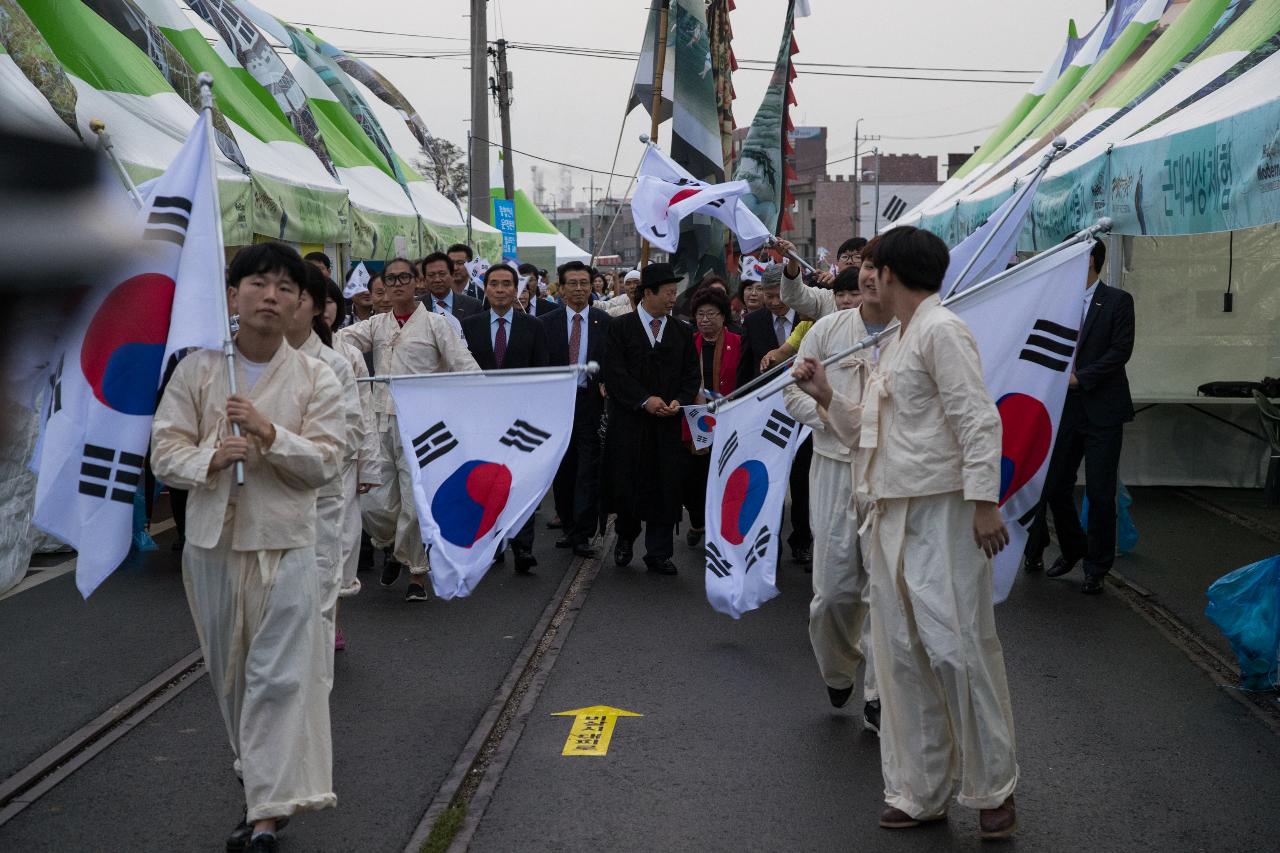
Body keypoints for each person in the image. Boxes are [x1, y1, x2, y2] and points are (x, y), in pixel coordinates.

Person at [792, 225, 1018, 840]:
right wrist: (826, 396)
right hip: (888, 512)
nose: (868, 279)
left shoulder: (942, 331)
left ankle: (993, 789)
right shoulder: (898, 339)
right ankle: (920, 791)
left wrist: (983, 502)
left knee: (955, 649)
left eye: (874, 269)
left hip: (941, 512)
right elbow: (872, 426)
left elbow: (977, 419)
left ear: (889, 274)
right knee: (900, 658)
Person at [151, 243, 346, 852]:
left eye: (286, 288)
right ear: (232, 295)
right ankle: (261, 782)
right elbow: (163, 450)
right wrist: (211, 456)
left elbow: (327, 462)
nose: (271, 296)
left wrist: (269, 434)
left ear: (303, 305)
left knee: (277, 678)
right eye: (258, 284)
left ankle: (264, 817)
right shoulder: (200, 369)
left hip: (285, 545)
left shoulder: (319, 375)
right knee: (231, 677)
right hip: (211, 544)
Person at [782, 259, 890, 732]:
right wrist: (832, 418)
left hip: (889, 473)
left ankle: (880, 695)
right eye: (866, 268)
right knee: (833, 592)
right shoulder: (825, 330)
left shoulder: (913, 333)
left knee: (886, 590)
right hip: (832, 467)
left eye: (881, 270)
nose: (870, 278)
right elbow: (794, 393)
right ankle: (839, 668)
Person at [339, 257, 480, 602]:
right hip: (378, 423)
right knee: (374, 503)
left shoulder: (437, 324)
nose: (399, 284)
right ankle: (392, 547)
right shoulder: (375, 326)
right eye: (392, 279)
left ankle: (417, 573)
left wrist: (484, 398)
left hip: (422, 426)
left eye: (405, 277)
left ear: (416, 282)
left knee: (415, 504)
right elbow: (334, 341)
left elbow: (464, 366)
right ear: (383, 287)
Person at [1024, 240, 1135, 594]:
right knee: (1054, 485)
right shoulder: (1058, 303)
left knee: (1101, 494)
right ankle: (1074, 547)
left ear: (1091, 260)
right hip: (1063, 410)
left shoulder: (1117, 301)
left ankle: (1096, 567)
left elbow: (1120, 351)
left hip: (1102, 409)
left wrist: (1081, 378)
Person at [286, 267, 373, 658]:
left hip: (324, 489)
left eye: (298, 296)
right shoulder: (249, 358)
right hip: (267, 500)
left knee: (327, 570)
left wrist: (299, 452)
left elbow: (355, 426)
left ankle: (326, 628)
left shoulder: (337, 362)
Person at [602, 263, 701, 574]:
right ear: (648, 293)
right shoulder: (620, 328)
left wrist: (679, 401)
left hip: (668, 425)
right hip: (631, 423)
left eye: (675, 293)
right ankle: (625, 538)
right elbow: (614, 374)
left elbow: (690, 375)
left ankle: (659, 553)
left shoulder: (682, 331)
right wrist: (644, 400)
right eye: (668, 293)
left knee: (666, 487)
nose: (674, 298)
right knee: (628, 483)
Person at [460, 264, 550, 573]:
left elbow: (542, 374)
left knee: (520, 483)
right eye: (494, 284)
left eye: (506, 284)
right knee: (485, 483)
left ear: (517, 289)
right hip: (481, 419)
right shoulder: (468, 326)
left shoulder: (533, 327)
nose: (500, 289)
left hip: (520, 420)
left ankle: (522, 547)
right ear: (485, 288)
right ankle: (491, 545)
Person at [738, 266, 813, 566]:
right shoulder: (754, 322)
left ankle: (802, 540)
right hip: (767, 413)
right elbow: (746, 368)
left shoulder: (811, 319)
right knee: (770, 479)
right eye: (766, 295)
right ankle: (770, 546)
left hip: (806, 410)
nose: (772, 301)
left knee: (803, 478)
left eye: (777, 294)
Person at [542, 261, 610, 558]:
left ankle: (583, 532)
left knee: (588, 468)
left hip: (589, 401)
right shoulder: (546, 323)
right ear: (562, 287)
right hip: (556, 404)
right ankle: (569, 525)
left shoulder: (604, 322)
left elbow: (612, 362)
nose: (580, 288)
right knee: (562, 469)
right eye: (573, 283)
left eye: (584, 282)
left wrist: (606, 382)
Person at [681, 287, 740, 547]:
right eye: (700, 314)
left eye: (711, 314)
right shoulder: (687, 343)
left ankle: (720, 528)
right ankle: (697, 521)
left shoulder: (737, 342)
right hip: (696, 418)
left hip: (729, 417)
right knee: (694, 476)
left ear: (723, 315)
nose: (705, 319)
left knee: (725, 475)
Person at [420, 251, 483, 321]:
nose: (437, 280)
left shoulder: (473, 305)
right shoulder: (416, 306)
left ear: (452, 275)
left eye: (442, 274)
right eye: (431, 275)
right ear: (425, 279)